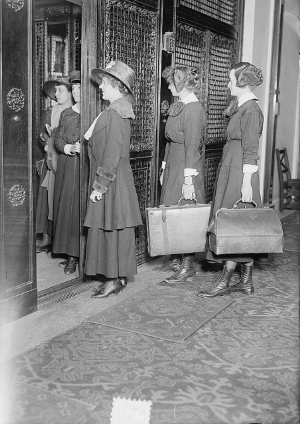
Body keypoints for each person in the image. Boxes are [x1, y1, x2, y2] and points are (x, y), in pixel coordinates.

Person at [197, 62, 264, 298]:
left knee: (234, 225)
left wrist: (246, 183)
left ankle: (225, 282)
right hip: (232, 167)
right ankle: (246, 281)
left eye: (230, 81)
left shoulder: (251, 111)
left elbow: (251, 150)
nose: (227, 85)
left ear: (242, 83)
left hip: (240, 172)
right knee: (241, 224)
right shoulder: (241, 107)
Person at [83, 60, 142, 298]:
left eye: (105, 83)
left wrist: (101, 184)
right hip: (113, 179)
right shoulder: (115, 109)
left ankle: (114, 279)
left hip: (112, 180)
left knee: (111, 229)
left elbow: (112, 153)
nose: (101, 87)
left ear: (117, 86)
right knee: (111, 229)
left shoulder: (117, 113)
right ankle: (115, 277)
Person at [160, 65, 206, 283]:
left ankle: (188, 265)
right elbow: (170, 141)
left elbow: (193, 147)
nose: (168, 86)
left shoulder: (194, 109)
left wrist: (188, 179)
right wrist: (163, 167)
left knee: (186, 212)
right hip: (174, 164)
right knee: (172, 207)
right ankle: (177, 259)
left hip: (187, 166)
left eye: (170, 83)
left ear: (180, 83)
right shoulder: (179, 107)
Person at [36, 76, 74, 253]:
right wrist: (47, 145)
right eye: (55, 90)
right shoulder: (50, 111)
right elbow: (41, 135)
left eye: (60, 90)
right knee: (48, 199)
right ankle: (47, 237)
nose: (56, 94)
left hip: (66, 160)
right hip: (51, 160)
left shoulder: (76, 112)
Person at [52, 71, 81, 275]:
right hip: (66, 164)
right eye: (75, 88)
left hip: (82, 167)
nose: (77, 92)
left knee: (77, 209)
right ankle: (68, 252)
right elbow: (58, 139)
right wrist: (68, 148)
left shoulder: (95, 114)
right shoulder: (67, 113)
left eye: (80, 88)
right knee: (65, 208)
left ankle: (76, 255)